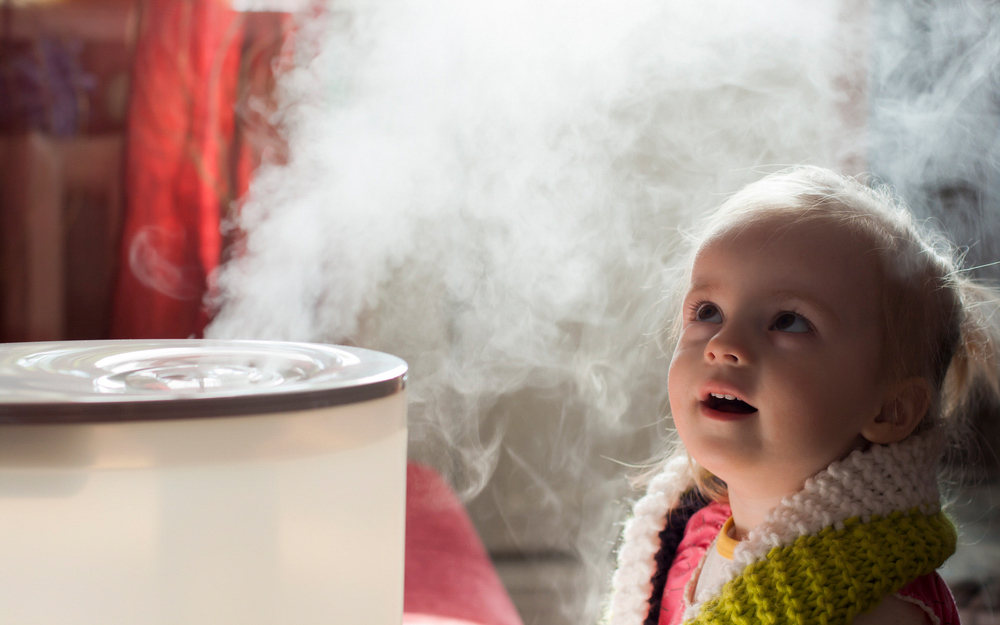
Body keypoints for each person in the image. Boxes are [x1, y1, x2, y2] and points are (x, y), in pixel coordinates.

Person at [606, 166, 1000, 625]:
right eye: (709, 311)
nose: (723, 345)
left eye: (788, 321)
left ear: (891, 409)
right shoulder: (688, 536)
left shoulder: (873, 605)